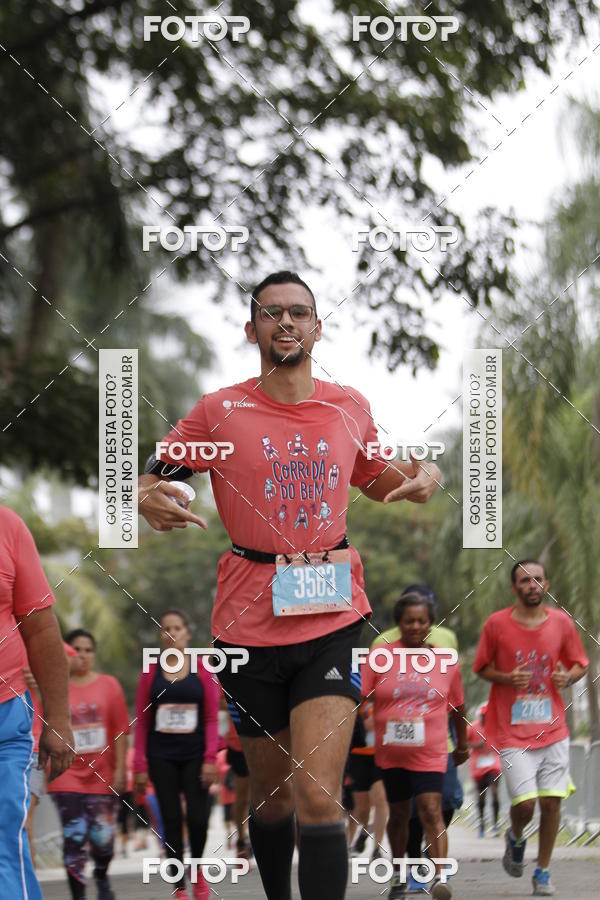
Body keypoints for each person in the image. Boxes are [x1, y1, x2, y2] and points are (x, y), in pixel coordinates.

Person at [137, 271, 441, 900]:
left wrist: (426, 477)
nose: (286, 322)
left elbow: (381, 478)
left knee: (318, 795)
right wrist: (144, 496)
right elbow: (149, 473)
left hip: (334, 618)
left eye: (299, 312)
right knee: (272, 798)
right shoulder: (220, 410)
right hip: (246, 624)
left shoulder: (348, 406)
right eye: (272, 313)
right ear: (251, 330)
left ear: (317, 327)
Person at [473, 559, 589, 896]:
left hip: (553, 728)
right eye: (524, 580)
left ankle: (543, 871)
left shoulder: (562, 623)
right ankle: (515, 835)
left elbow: (580, 664)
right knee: (525, 804)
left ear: (546, 585)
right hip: (512, 731)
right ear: (514, 588)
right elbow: (481, 667)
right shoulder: (496, 624)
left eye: (537, 579)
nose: (531, 585)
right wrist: (506, 678)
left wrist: (568, 677)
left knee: (551, 802)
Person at [361, 589, 469, 899]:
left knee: (431, 810)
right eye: (409, 621)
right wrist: (365, 725)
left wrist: (462, 746)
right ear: (399, 623)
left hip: (431, 750)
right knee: (398, 815)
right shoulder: (380, 657)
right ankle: (398, 875)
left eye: (422, 621)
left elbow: (459, 708)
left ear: (430, 623)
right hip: (391, 752)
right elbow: (361, 699)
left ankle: (440, 877)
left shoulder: (445, 660)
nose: (416, 627)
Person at [0, 504, 74, 900]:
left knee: (4, 834)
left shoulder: (7, 526)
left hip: (6, 715)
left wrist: (58, 719)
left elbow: (41, 629)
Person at [134, 608, 220, 900]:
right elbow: (142, 722)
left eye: (177, 628)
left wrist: (210, 759)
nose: (171, 633)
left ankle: (196, 868)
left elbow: (211, 718)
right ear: (162, 635)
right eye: (166, 628)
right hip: (161, 756)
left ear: (187, 633)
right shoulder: (151, 672)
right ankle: (179, 887)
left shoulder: (202, 669)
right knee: (170, 819)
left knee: (198, 817)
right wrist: (139, 765)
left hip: (196, 755)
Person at [48, 628, 130, 900]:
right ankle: (79, 896)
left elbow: (121, 730)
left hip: (102, 776)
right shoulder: (54, 688)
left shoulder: (109, 685)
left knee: (102, 841)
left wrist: (120, 770)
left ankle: (102, 876)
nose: (82, 655)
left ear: (94, 654)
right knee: (74, 837)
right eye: (76, 650)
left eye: (88, 650)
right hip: (66, 774)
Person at [24, 641, 81, 868]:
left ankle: (26, 882)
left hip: (29, 745)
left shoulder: (26, 629)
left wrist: (40, 674)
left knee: (23, 821)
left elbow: (71, 660)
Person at [347, 700, 388, 861]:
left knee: (381, 799)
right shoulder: (357, 699)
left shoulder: (384, 698)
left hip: (380, 755)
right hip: (358, 756)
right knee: (362, 809)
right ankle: (364, 833)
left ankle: (377, 849)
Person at [467, 704, 501, 837]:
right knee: (481, 796)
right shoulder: (472, 727)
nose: (485, 718)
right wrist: (476, 745)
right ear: (480, 716)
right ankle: (481, 825)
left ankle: (495, 825)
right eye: (483, 715)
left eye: (488, 715)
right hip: (478, 766)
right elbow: (464, 743)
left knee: (495, 792)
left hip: (493, 764)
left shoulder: (495, 727)